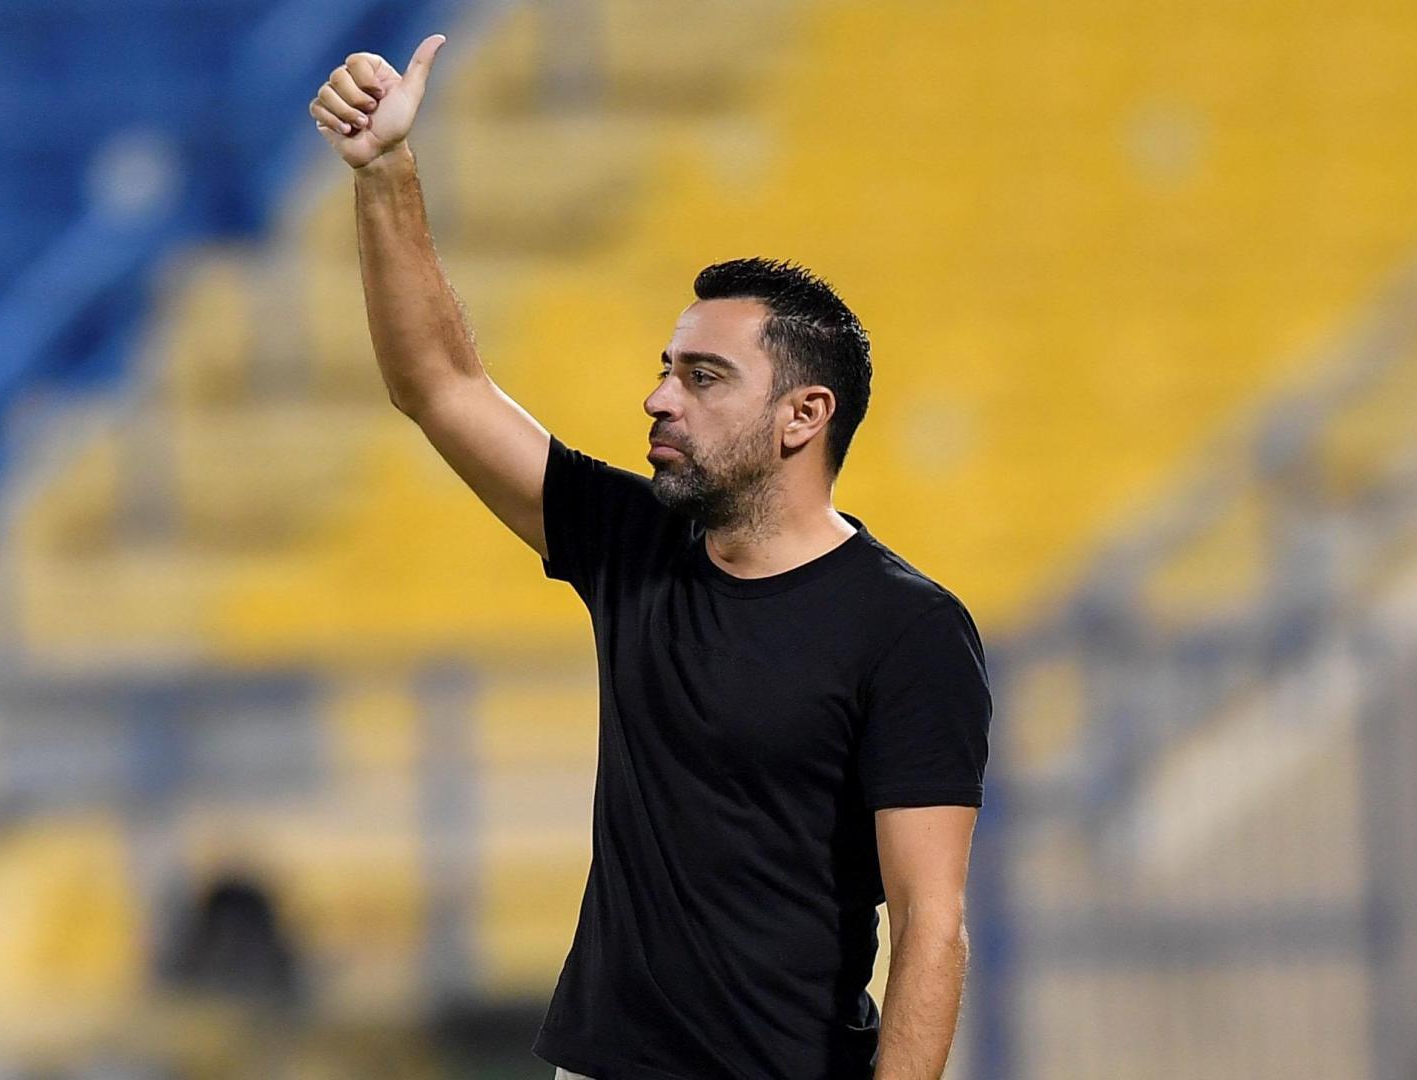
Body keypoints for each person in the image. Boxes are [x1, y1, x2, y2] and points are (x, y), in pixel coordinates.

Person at [309, 36, 991, 1080]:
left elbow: (930, 926)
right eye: (666, 369)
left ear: (805, 416)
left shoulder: (907, 629)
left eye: (704, 377)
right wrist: (385, 173)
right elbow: (439, 385)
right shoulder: (634, 545)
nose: (659, 397)